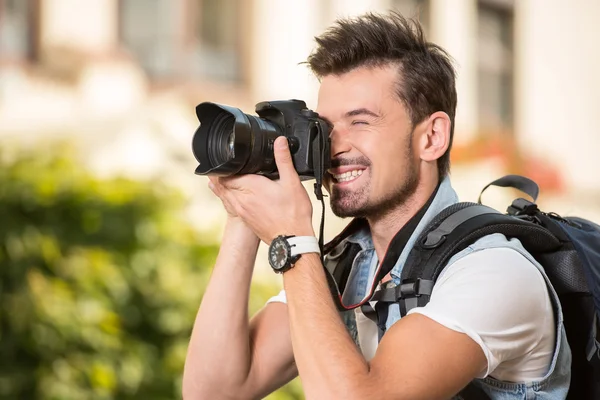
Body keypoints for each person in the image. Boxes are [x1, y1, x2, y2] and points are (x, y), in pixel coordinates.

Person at [182, 11, 571, 400]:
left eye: (361, 122)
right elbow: (213, 391)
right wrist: (243, 214)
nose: (335, 146)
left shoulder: (494, 270)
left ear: (432, 137)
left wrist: (294, 241)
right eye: (326, 127)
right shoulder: (350, 268)